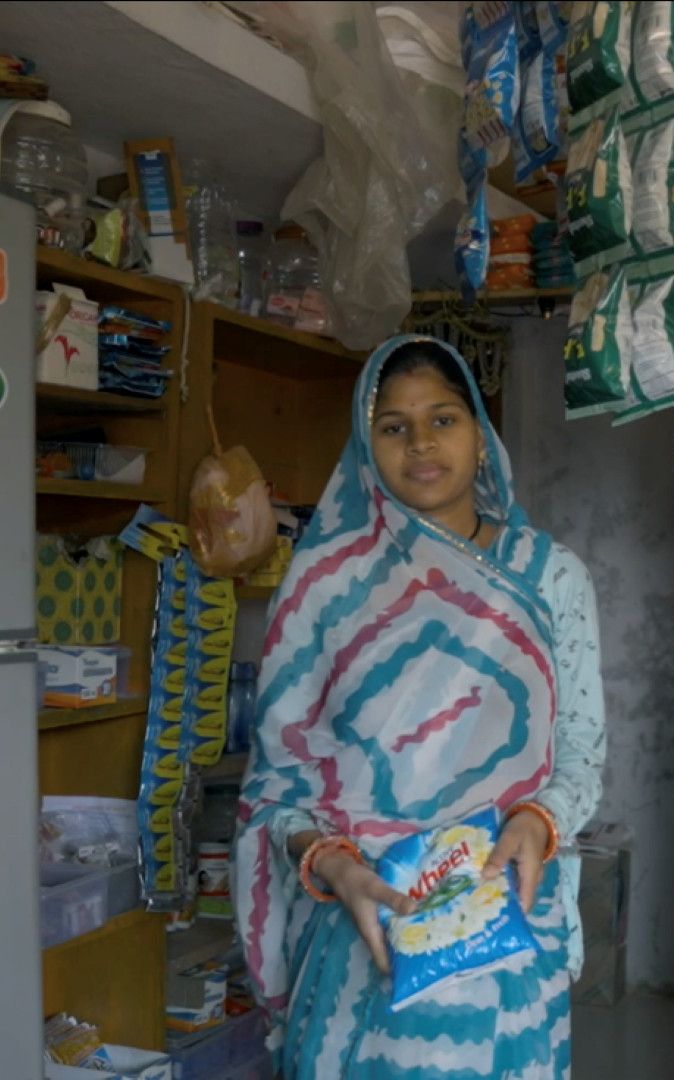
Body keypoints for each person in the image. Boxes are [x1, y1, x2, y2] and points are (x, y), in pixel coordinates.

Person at [235, 335, 605, 1079]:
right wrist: (332, 864)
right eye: (394, 427)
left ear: (480, 436)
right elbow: (278, 781)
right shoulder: (321, 584)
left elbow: (581, 746)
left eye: (443, 419)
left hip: (505, 919)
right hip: (359, 924)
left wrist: (538, 820)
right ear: (366, 446)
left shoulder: (549, 576)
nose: (421, 443)